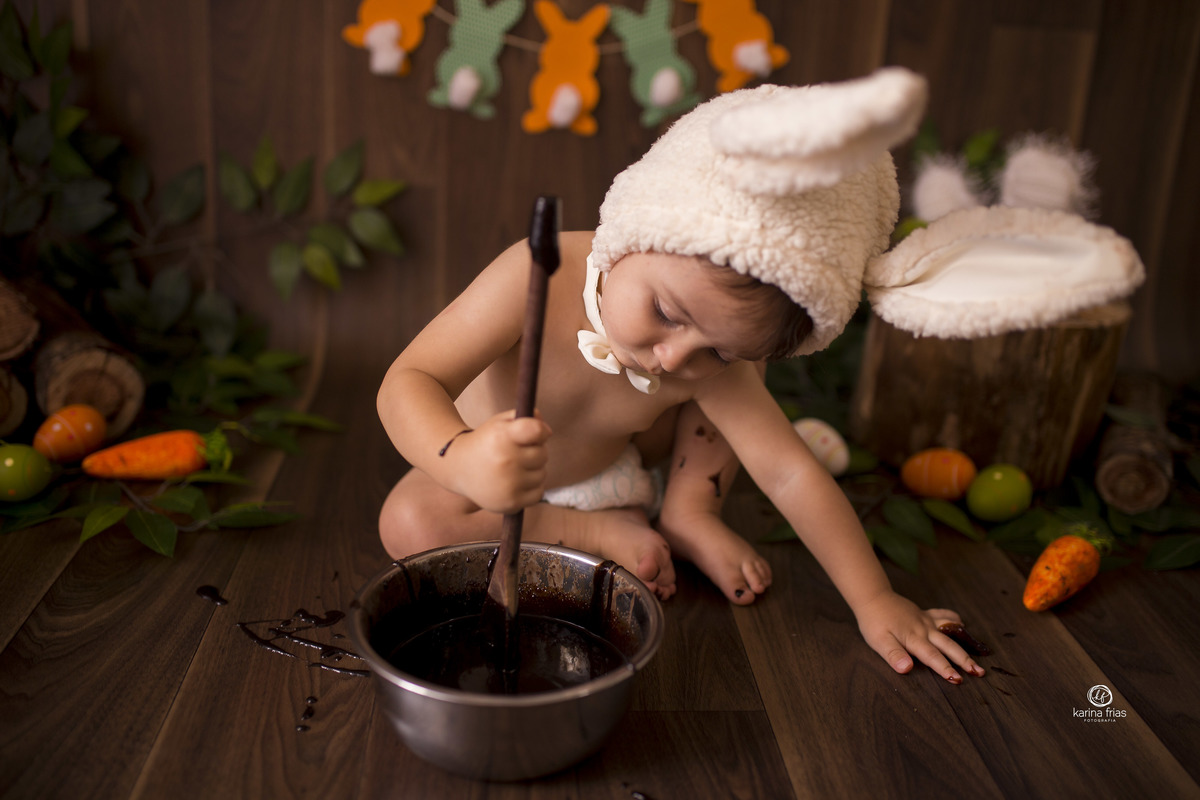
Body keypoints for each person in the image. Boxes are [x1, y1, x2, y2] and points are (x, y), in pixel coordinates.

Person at [377, 68, 985, 683]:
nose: (674, 359)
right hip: (491, 480)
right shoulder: (535, 275)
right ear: (634, 231)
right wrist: (462, 459)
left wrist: (874, 600)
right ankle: (583, 530)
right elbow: (411, 378)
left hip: (618, 463)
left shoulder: (701, 354)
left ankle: (691, 512)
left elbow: (788, 469)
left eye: (714, 349)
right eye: (665, 313)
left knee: (738, 389)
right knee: (409, 524)